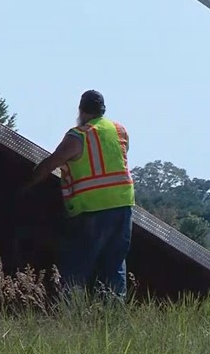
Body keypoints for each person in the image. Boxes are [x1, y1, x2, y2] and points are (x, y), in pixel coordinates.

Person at [22, 90, 134, 298]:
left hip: (93, 210)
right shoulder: (120, 131)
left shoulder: (79, 136)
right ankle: (114, 316)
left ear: (81, 110)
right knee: (114, 266)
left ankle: (70, 314)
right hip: (123, 208)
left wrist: (27, 184)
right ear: (103, 110)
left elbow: (51, 164)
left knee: (76, 266)